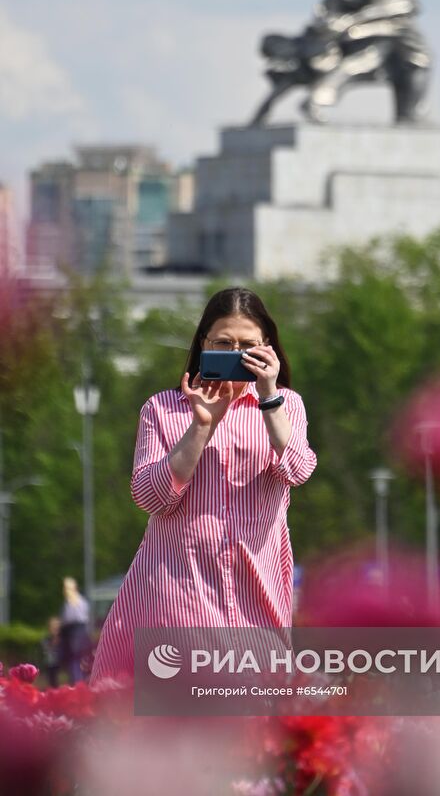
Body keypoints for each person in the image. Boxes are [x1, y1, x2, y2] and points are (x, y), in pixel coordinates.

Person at [89, 287, 317, 685]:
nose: (236, 354)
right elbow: (151, 497)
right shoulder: (164, 408)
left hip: (256, 590)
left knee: (254, 726)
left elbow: (297, 469)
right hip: (177, 585)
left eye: (249, 346)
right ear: (203, 344)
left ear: (269, 350)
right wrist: (201, 426)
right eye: (224, 344)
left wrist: (268, 397)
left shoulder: (287, 405)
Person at [59, 577, 93, 684]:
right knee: (81, 662)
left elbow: (66, 620)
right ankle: (81, 685)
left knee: (73, 662)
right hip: (82, 634)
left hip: (72, 635)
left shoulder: (69, 604)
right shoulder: (83, 602)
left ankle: (77, 685)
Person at [40, 616, 61, 688]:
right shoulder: (45, 640)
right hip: (50, 665)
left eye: (57, 626)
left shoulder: (64, 641)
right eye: (53, 626)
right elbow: (44, 653)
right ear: (49, 628)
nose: (55, 628)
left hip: (60, 666)